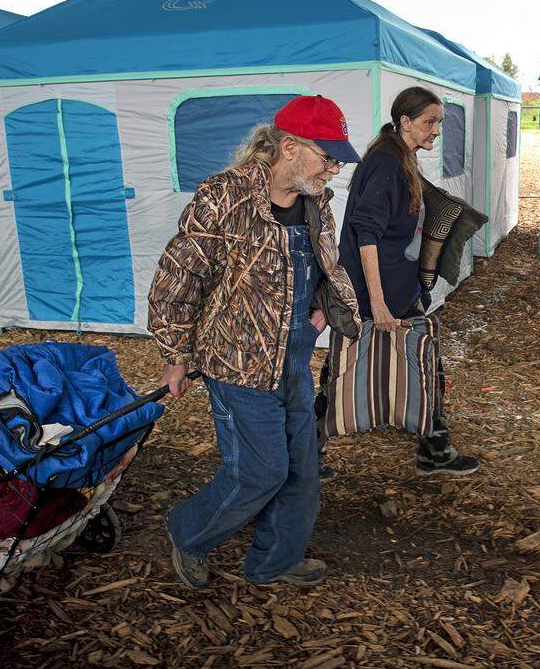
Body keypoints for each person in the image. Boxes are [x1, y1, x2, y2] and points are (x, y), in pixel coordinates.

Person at [147, 95, 362, 589]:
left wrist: (321, 314)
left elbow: (327, 268)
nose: (334, 169)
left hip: (294, 357)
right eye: (326, 156)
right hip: (237, 364)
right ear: (290, 147)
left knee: (302, 472)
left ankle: (274, 561)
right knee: (260, 472)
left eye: (338, 159)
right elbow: (177, 280)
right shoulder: (223, 197)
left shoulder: (316, 204)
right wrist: (176, 355)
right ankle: (189, 532)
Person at [322, 86, 479, 478]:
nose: (436, 131)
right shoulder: (387, 164)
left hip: (396, 286)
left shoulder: (400, 157)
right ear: (405, 121)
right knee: (342, 370)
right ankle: (303, 457)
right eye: (429, 122)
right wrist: (376, 303)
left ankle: (434, 448)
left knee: (422, 363)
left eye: (439, 123)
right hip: (377, 290)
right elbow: (366, 234)